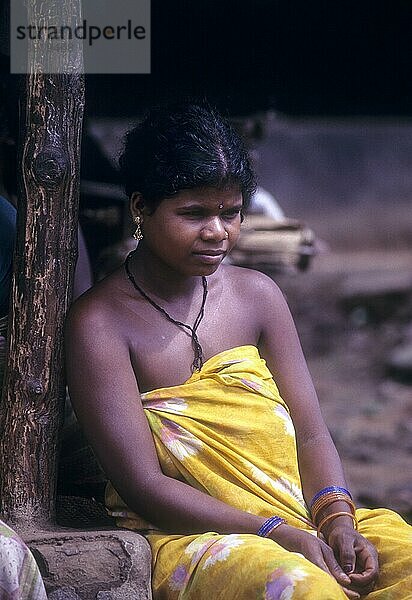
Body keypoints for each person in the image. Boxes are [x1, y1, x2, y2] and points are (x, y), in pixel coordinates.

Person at [65, 102, 411, 600]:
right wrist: (274, 534)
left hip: (300, 516)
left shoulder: (258, 297)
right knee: (302, 589)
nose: (217, 232)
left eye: (231, 214)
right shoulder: (99, 324)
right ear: (140, 206)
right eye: (194, 214)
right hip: (194, 537)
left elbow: (312, 436)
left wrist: (337, 521)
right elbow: (143, 485)